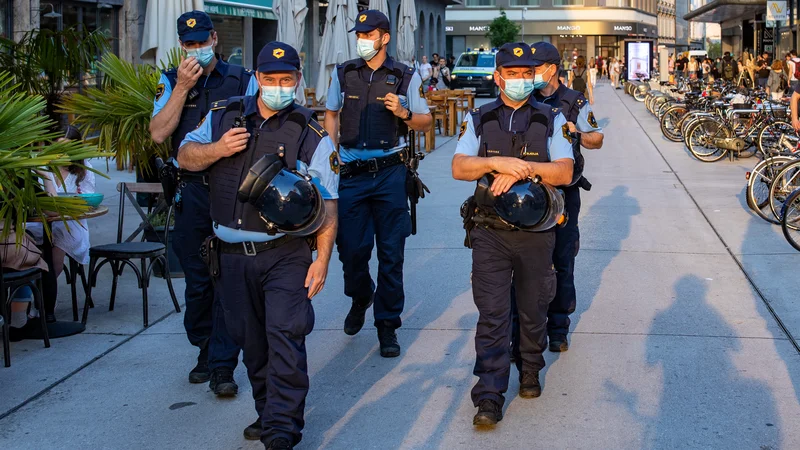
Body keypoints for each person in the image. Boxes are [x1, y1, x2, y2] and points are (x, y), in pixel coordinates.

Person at [178, 41, 339, 449]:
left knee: (285, 336)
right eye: (270, 80)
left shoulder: (309, 132)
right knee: (252, 344)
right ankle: (269, 412)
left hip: (284, 253)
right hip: (230, 257)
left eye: (287, 80)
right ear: (257, 79)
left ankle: (281, 432)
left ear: (298, 81)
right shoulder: (222, 115)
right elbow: (185, 156)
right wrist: (217, 149)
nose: (278, 87)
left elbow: (329, 201)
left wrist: (322, 259)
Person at [451, 41, 574, 427]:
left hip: (537, 233)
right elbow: (459, 166)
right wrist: (493, 162)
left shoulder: (552, 118)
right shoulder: (479, 118)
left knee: (533, 308)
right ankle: (489, 396)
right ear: (498, 76)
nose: (520, 80)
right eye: (513, 74)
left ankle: (531, 368)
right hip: (490, 232)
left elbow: (565, 172)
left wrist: (520, 168)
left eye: (527, 74)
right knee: (492, 315)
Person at [148, 10, 258, 396]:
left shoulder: (243, 79)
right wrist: (180, 88)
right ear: (181, 46)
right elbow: (159, 134)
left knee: (226, 278)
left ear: (214, 38)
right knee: (198, 281)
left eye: (202, 42)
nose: (196, 50)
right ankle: (204, 348)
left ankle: (222, 366)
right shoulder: (170, 81)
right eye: (189, 44)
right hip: (190, 189)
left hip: (230, 190)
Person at [323, 10, 432, 358]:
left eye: (369, 33)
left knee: (391, 252)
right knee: (351, 250)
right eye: (360, 34)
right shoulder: (344, 72)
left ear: (385, 37)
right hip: (352, 174)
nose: (362, 39)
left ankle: (387, 325)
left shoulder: (404, 76)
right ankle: (360, 295)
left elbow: (425, 122)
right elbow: (330, 112)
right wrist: (331, 152)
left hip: (390, 174)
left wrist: (403, 114)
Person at [528, 41, 603, 353]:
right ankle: (530, 324)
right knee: (530, 261)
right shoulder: (524, 99)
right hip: (530, 192)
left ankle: (558, 327)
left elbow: (597, 139)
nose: (530, 74)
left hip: (564, 192)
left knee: (562, 259)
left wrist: (577, 134)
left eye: (535, 68)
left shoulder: (574, 100)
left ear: (552, 69)